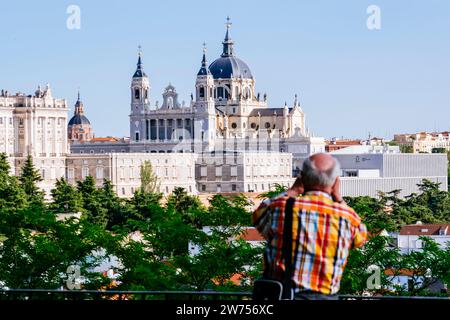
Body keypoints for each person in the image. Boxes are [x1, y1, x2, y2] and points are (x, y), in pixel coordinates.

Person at [253, 153, 367, 300]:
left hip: (282, 294)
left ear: (302, 178)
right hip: (325, 297)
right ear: (335, 182)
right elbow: (361, 237)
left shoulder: (281, 207)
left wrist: (293, 191)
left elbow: (258, 217)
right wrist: (338, 198)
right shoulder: (346, 216)